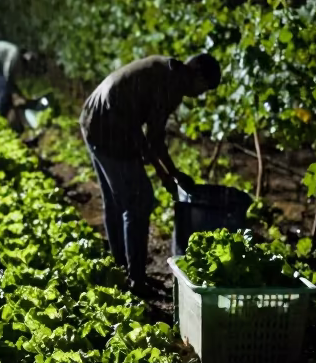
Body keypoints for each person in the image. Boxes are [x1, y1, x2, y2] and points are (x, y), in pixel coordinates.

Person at [79, 53, 222, 295]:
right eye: (204, 88)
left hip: (94, 117)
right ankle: (135, 280)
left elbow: (150, 138)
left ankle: (122, 269)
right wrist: (169, 175)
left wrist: (170, 174)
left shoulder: (168, 69)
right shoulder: (172, 84)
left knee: (116, 201)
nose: (201, 95)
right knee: (138, 201)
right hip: (109, 126)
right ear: (196, 73)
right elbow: (153, 139)